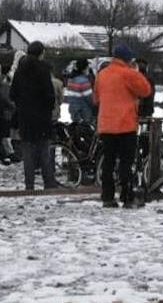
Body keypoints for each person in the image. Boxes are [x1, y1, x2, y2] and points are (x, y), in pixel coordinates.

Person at [93, 43, 152, 208]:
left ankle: (107, 196)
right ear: (128, 59)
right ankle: (127, 196)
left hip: (106, 124)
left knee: (108, 162)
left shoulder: (102, 74)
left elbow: (96, 99)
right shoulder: (128, 73)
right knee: (126, 161)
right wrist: (136, 72)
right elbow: (145, 90)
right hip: (125, 124)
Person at [9, 41, 60, 191]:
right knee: (44, 149)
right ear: (41, 53)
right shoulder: (43, 69)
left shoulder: (20, 70)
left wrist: (22, 104)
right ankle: (48, 182)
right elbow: (49, 95)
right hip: (42, 116)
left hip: (25, 116)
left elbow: (13, 93)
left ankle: (29, 184)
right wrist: (48, 108)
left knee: (28, 152)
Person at [64, 59, 95, 125]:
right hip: (84, 111)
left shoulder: (71, 80)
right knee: (86, 131)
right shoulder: (83, 81)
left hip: (73, 110)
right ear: (84, 69)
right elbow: (90, 98)